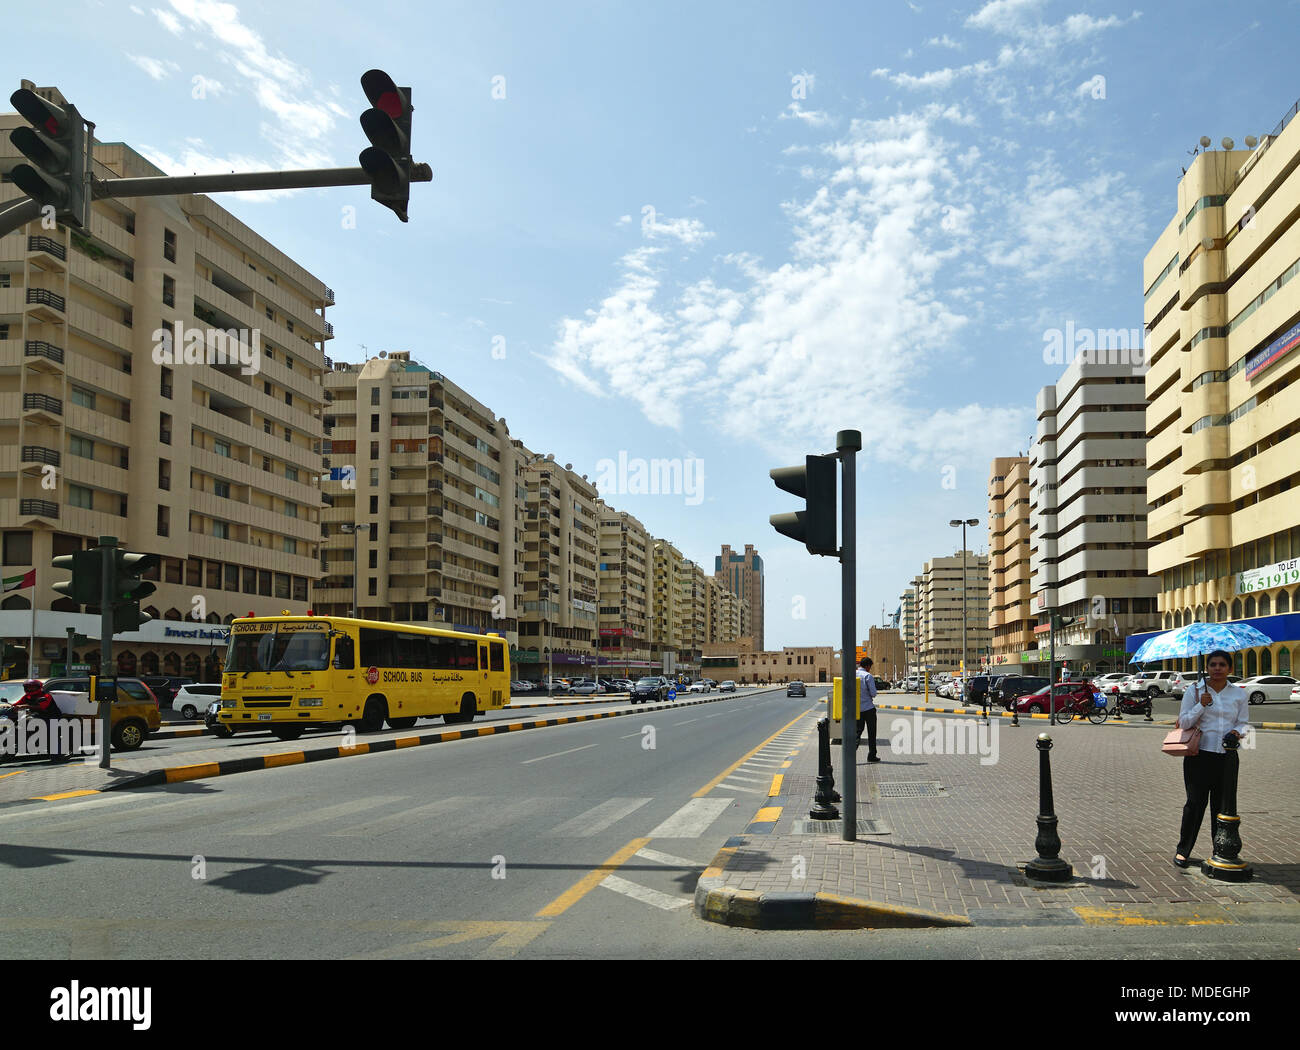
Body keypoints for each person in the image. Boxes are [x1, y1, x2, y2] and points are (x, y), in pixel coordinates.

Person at [1174, 650, 1250, 868]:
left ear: (1229, 669)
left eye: (1222, 665)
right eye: (1213, 664)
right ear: (1207, 668)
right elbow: (1184, 722)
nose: (1217, 668)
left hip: (1226, 757)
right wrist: (1201, 705)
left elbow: (1243, 723)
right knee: (1195, 804)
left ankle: (1220, 850)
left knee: (1222, 806)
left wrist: (1236, 733)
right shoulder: (1195, 691)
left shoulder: (1238, 694)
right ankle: (1183, 851)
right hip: (1199, 755)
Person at [9, 679, 70, 762]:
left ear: (38, 687)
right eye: (28, 687)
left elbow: (42, 707)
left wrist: (25, 706)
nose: (30, 689)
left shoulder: (45, 696)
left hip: (51, 717)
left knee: (50, 733)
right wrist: (11, 707)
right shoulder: (27, 696)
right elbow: (17, 703)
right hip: (38, 717)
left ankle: (58, 755)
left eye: (32, 687)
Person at [855, 657, 880, 762]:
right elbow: (873, 693)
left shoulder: (852, 674)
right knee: (872, 733)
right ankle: (871, 755)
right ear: (867, 666)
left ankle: (850, 755)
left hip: (856, 709)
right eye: (870, 667)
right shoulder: (868, 676)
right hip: (868, 709)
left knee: (857, 733)